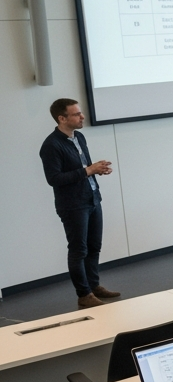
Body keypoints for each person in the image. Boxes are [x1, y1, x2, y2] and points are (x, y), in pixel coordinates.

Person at [41, 98, 118, 309]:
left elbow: (84, 168)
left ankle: (94, 286)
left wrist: (97, 170)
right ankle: (84, 294)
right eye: (76, 114)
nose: (82, 117)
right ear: (62, 118)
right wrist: (88, 171)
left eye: (80, 113)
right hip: (73, 205)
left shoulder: (79, 137)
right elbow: (54, 179)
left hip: (92, 198)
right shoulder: (51, 145)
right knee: (78, 249)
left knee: (94, 246)